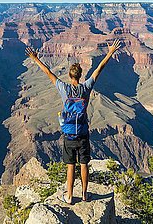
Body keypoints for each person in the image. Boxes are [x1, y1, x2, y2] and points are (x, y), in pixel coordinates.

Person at [25, 39, 122, 204]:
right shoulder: (86, 87)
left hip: (69, 134)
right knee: (84, 164)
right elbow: (99, 69)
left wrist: (35, 58)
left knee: (71, 166)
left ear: (70, 76)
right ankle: (84, 194)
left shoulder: (64, 88)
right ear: (80, 75)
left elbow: (48, 72)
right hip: (83, 133)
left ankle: (69, 197)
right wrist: (110, 52)